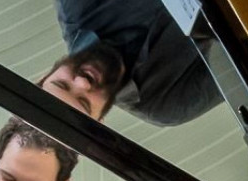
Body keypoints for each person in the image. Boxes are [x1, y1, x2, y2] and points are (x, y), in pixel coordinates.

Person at [43, 0, 223, 126]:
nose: (82, 82)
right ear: (99, 120)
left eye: (62, 84)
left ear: (46, 75)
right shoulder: (165, 106)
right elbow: (238, 58)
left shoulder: (74, 6)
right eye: (84, 102)